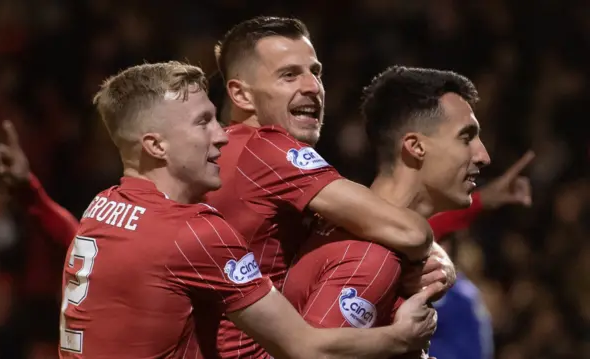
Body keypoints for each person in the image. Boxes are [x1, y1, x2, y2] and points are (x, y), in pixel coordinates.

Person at [55, 61, 441, 359]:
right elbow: (304, 348)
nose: (221, 135)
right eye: (203, 123)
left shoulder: (102, 205)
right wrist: (399, 337)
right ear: (156, 146)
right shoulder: (194, 232)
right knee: (367, 257)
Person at [281, 66, 491, 358]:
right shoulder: (372, 258)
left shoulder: (390, 248)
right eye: (466, 137)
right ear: (415, 146)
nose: (483, 156)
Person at [428, 150, 534, 359]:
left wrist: (482, 200)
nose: (438, 248)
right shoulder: (397, 274)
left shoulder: (463, 297)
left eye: (445, 242)